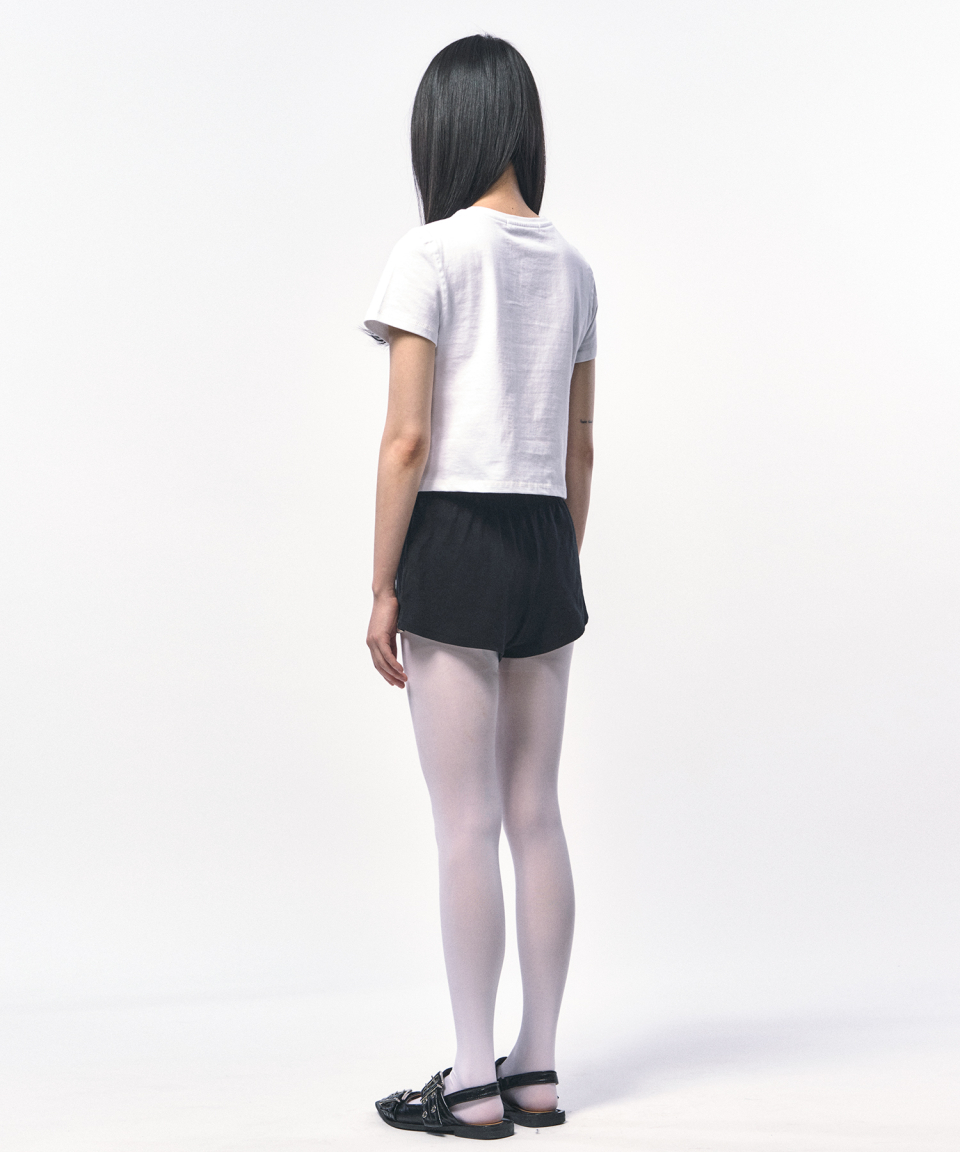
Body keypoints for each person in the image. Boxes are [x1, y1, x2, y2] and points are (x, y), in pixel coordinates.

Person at [363, 34, 597, 1140]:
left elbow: (408, 439)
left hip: (455, 532)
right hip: (547, 532)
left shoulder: (430, 254)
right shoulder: (575, 267)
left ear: (443, 130)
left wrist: (382, 586)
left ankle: (469, 1081)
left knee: (465, 825)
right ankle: (536, 1069)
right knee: (535, 812)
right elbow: (581, 445)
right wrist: (560, 559)